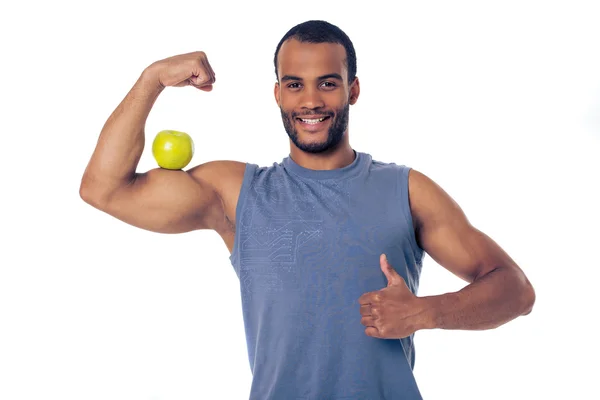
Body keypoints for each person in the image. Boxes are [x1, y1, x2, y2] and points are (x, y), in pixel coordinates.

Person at [80, 20, 535, 400]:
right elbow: (104, 189)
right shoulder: (237, 193)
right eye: (295, 85)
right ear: (277, 93)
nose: (311, 101)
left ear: (353, 90)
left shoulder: (407, 190)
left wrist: (425, 312)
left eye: (328, 83)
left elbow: (515, 289)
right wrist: (152, 79)